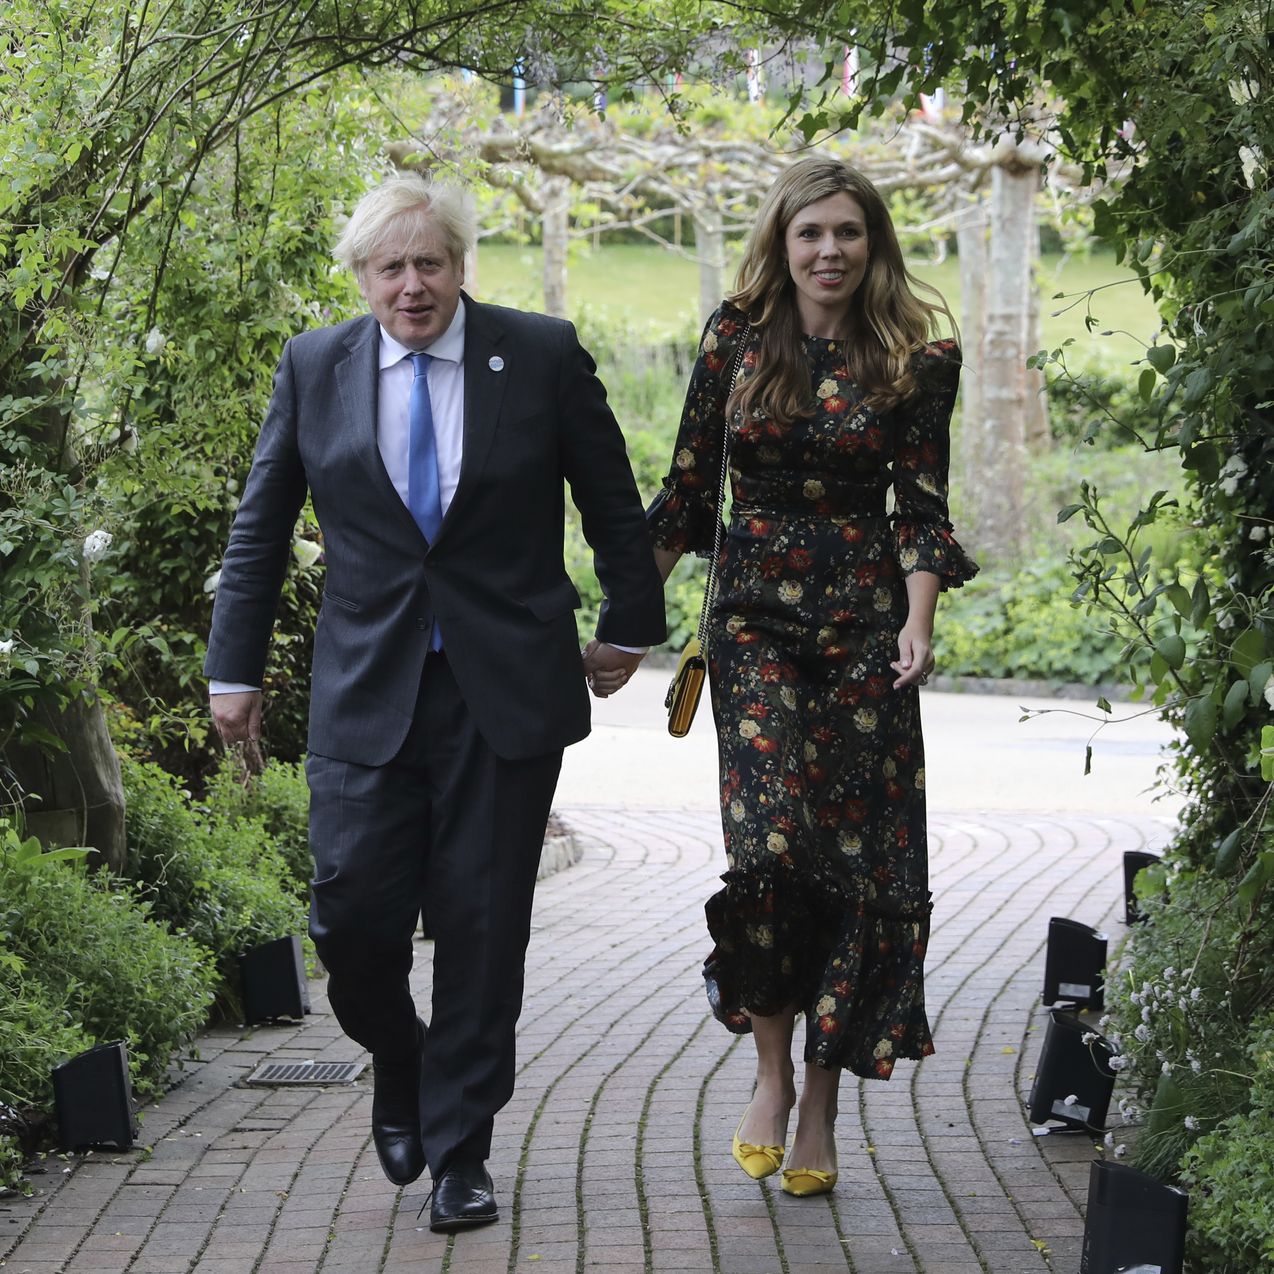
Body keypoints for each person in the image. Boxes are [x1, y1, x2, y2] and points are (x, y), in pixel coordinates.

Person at [205, 172, 665, 1232]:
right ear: (362, 276)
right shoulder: (315, 365)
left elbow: (609, 497)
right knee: (351, 916)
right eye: (389, 267)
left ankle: (461, 1148)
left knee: (481, 923)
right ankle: (399, 1060)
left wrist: (628, 621)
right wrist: (233, 668)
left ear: (459, 264)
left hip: (502, 689)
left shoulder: (538, 353)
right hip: (366, 688)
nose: (412, 285)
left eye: (430, 262)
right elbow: (260, 524)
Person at [647, 156, 976, 1197]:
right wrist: (619, 624)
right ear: (780, 243)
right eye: (809, 234)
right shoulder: (733, 337)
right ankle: (768, 1074)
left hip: (863, 633)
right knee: (770, 849)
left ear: (870, 243)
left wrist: (917, 622)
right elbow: (690, 488)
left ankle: (822, 1104)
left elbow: (920, 505)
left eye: (847, 233)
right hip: (750, 626)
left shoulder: (917, 351)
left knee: (857, 867)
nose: (828, 251)